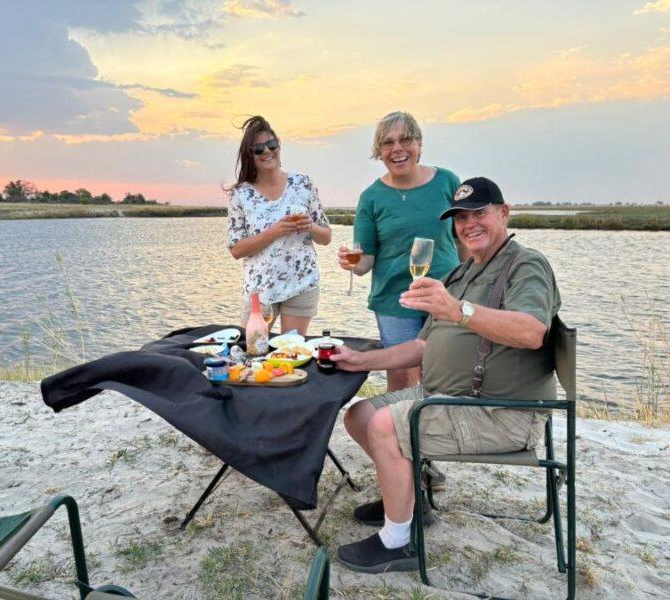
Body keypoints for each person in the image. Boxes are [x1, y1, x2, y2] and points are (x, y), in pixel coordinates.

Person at [331, 177, 561, 573]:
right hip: (449, 397)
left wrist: (459, 311)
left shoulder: (526, 264)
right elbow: (421, 346)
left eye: (480, 213)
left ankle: (398, 543)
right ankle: (411, 504)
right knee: (359, 415)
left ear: (504, 213)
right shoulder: (464, 271)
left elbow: (531, 331)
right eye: (460, 217)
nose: (469, 224)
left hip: (500, 412)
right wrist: (361, 360)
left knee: (386, 424)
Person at [338, 111, 462, 392]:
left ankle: (440, 432)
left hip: (446, 295)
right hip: (395, 302)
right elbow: (365, 260)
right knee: (402, 379)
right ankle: (401, 434)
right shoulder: (371, 197)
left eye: (405, 139)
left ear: (419, 144)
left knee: (447, 373)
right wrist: (350, 263)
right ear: (379, 152)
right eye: (387, 143)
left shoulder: (447, 182)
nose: (397, 149)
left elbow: (465, 240)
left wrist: (473, 283)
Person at [227, 116, 331, 334]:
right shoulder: (241, 194)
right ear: (250, 155)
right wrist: (274, 232)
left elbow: (326, 237)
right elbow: (236, 249)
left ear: (279, 147)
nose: (267, 151)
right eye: (258, 149)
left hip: (302, 284)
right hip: (260, 290)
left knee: (292, 356)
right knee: (250, 354)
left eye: (272, 144)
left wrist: (310, 226)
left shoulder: (303, 183)